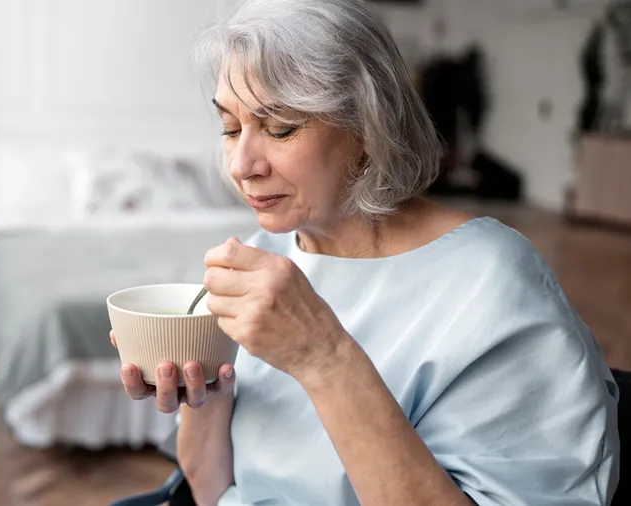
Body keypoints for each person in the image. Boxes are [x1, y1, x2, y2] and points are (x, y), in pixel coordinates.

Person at [110, 1, 620, 504]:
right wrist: (205, 392)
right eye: (229, 128)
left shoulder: (489, 282)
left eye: (280, 127)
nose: (241, 164)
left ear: (367, 129)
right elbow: (209, 489)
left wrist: (324, 357)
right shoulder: (266, 258)